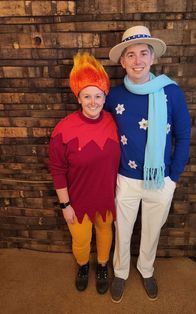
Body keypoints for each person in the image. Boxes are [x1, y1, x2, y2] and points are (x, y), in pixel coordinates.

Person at [105, 25, 191, 302]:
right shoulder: (113, 97)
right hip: (126, 179)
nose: (137, 60)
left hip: (160, 180)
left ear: (153, 59)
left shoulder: (171, 93)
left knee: (152, 230)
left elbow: (184, 134)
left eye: (144, 54)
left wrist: (173, 177)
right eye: (131, 55)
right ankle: (120, 272)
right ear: (122, 61)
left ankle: (146, 268)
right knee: (123, 230)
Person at [48, 53, 120, 294]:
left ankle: (101, 266)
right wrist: (65, 204)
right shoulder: (63, 129)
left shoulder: (113, 121)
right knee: (80, 241)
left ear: (104, 97)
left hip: (106, 198)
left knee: (104, 234)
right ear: (78, 97)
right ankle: (82, 266)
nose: (93, 102)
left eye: (98, 96)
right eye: (87, 96)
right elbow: (57, 169)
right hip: (76, 201)